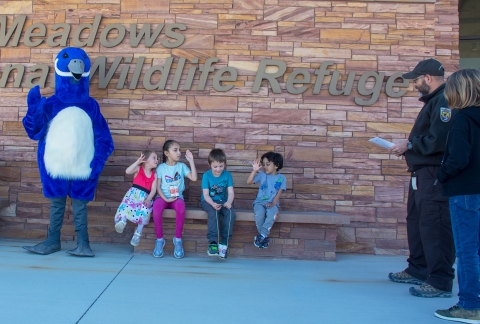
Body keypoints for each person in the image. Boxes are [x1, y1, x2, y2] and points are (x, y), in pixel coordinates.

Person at [21, 47, 114, 257]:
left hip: (84, 165)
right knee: (56, 203)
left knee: (80, 205)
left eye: (81, 61)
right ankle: (52, 241)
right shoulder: (52, 103)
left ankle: (84, 244)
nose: (76, 65)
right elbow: (34, 131)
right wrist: (33, 109)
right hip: (55, 163)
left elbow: (104, 138)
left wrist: (97, 162)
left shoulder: (91, 106)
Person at [388, 58, 456, 298]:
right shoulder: (435, 101)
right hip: (422, 173)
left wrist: (409, 145)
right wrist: (410, 148)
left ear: (428, 78)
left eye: (416, 79)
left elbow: (439, 141)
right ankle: (418, 268)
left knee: (435, 225)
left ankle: (439, 281)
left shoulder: (444, 101)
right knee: (417, 222)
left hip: (433, 174)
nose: (414, 84)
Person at [434, 69, 480, 323]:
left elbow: (457, 159)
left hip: (465, 192)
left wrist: (442, 174)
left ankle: (470, 305)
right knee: (476, 250)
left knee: (466, 251)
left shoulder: (462, 120)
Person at [152, 140, 197, 259]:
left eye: (179, 150)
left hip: (177, 198)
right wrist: (166, 199)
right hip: (162, 197)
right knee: (156, 209)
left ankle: (177, 240)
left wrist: (191, 161)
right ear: (166, 153)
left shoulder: (181, 166)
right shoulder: (161, 168)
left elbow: (193, 178)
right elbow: (157, 187)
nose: (179, 153)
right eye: (175, 150)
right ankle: (160, 240)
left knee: (181, 208)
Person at [114, 150, 158, 247]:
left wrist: (148, 199)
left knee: (144, 211)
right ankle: (122, 221)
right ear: (145, 160)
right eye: (154, 158)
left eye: (157, 158)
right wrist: (137, 162)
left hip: (145, 197)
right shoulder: (138, 169)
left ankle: (138, 233)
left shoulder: (154, 175)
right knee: (127, 206)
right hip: (133, 194)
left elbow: (154, 190)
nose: (157, 160)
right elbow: (128, 171)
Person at [200, 149, 236, 259]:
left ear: (224, 164)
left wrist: (229, 202)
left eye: (221, 166)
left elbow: (230, 192)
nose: (218, 169)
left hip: (223, 201)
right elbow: (206, 195)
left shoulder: (227, 175)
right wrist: (212, 204)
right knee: (213, 211)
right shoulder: (206, 176)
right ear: (209, 164)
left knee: (230, 213)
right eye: (215, 166)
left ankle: (224, 242)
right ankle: (213, 243)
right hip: (208, 201)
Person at [247, 151, 286, 249]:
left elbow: (279, 193)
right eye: (263, 164)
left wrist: (273, 203)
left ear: (276, 165)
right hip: (259, 203)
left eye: (268, 164)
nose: (265, 166)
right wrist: (255, 171)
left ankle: (261, 236)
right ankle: (263, 237)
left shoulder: (281, 178)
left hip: (273, 203)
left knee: (272, 215)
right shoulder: (262, 175)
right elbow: (249, 182)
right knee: (259, 214)